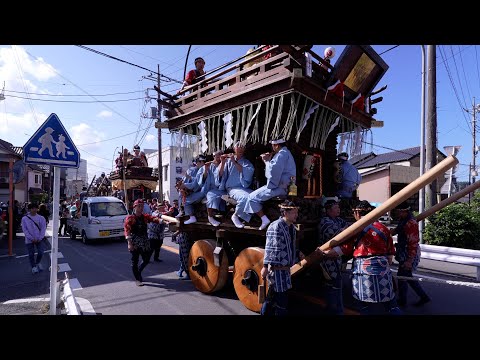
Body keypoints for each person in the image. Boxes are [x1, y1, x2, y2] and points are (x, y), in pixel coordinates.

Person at [321, 200, 401, 315]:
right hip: (383, 269)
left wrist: (325, 254)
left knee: (363, 306)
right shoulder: (383, 228)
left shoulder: (356, 229)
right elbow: (390, 254)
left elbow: (343, 249)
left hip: (363, 271)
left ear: (358, 213)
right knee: (390, 305)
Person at [261, 200, 304, 316]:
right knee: (279, 300)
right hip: (277, 269)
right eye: (294, 213)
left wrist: (298, 252)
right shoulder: (276, 226)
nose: (296, 215)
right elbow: (271, 247)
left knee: (274, 297)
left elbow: (290, 245)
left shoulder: (291, 228)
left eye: (296, 212)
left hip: (286, 269)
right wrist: (265, 266)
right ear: (285, 213)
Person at [243, 138, 296, 230]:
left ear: (276, 145)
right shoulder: (286, 153)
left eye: (273, 146)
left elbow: (273, 172)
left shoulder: (281, 154)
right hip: (287, 186)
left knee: (251, 198)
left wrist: (266, 161)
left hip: (280, 187)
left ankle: (264, 219)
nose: (272, 148)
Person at [207, 142, 254, 228]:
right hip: (232, 188)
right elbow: (219, 174)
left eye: (242, 149)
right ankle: (235, 216)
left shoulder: (246, 162)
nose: (240, 151)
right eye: (238, 149)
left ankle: (244, 216)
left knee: (254, 196)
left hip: (243, 187)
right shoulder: (228, 161)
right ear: (234, 150)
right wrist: (223, 162)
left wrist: (235, 162)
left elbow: (247, 172)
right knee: (245, 197)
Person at [394, 201, 431, 307]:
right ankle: (422, 297)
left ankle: (403, 300)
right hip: (405, 251)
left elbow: (413, 242)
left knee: (403, 277)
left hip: (409, 252)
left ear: (403, 211)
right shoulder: (404, 220)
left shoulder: (410, 223)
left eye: (398, 211)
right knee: (406, 277)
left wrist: (409, 260)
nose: (397, 214)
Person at [317, 198, 347, 314]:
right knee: (334, 282)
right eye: (335, 208)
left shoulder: (338, 220)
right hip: (327, 258)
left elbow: (347, 226)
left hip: (336, 257)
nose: (338, 209)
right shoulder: (325, 222)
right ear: (328, 210)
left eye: (338, 207)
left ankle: (333, 308)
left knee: (335, 283)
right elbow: (339, 234)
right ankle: (335, 309)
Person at [124, 199, 162, 286]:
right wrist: (129, 243)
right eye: (139, 206)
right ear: (135, 207)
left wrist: (163, 221)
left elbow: (153, 218)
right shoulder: (130, 218)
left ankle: (139, 271)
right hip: (135, 241)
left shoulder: (145, 217)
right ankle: (137, 279)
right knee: (135, 261)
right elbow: (127, 230)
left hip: (144, 240)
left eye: (142, 206)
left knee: (146, 259)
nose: (141, 208)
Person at [21, 203, 47, 274]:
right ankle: (33, 267)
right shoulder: (24, 219)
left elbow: (43, 229)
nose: (34, 210)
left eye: (36, 208)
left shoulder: (41, 218)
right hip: (29, 240)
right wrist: (31, 238)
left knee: (41, 252)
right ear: (29, 209)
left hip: (39, 239)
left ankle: (37, 263)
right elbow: (25, 230)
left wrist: (40, 238)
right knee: (31, 254)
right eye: (33, 208)